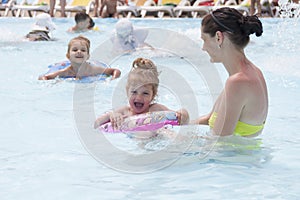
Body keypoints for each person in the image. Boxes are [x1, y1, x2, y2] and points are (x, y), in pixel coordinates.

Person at [194, 7, 268, 137]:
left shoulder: (238, 82)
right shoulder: (253, 72)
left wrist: (171, 138)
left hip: (233, 156)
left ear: (218, 37)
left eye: (204, 40)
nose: (203, 48)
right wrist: (175, 122)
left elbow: (218, 142)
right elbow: (210, 118)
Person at [94, 57, 189, 129]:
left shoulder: (156, 109)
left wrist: (183, 113)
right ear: (127, 92)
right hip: (135, 142)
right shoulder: (124, 112)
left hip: (158, 138)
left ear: (153, 95)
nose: (139, 98)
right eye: (134, 92)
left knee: (165, 132)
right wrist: (111, 115)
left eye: (145, 93)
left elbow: (178, 118)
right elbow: (96, 124)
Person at [38, 35, 121, 80]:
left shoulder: (93, 70)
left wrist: (112, 79)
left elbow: (115, 71)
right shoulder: (66, 72)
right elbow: (44, 77)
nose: (79, 52)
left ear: (88, 56)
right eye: (75, 50)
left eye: (83, 50)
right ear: (68, 56)